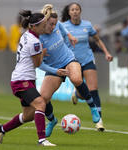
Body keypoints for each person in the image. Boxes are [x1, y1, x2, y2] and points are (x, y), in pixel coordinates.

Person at [38, 4, 100, 137]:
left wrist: (70, 35)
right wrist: (56, 72)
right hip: (54, 68)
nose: (53, 27)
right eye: (50, 25)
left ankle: (93, 108)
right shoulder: (38, 39)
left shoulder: (57, 26)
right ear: (43, 23)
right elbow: (39, 65)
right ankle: (52, 120)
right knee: (43, 98)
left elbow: (61, 26)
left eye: (55, 24)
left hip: (68, 59)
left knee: (77, 79)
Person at [0, 10, 56, 146]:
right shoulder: (34, 42)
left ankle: (2, 128)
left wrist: (40, 53)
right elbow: (38, 64)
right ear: (34, 26)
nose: (46, 27)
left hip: (22, 79)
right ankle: (42, 140)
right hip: (22, 80)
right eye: (44, 25)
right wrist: (41, 53)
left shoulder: (26, 35)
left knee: (28, 115)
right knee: (41, 103)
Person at [61, 2, 113, 131]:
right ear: (69, 13)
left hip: (88, 59)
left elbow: (97, 40)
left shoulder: (87, 25)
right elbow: (59, 43)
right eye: (72, 10)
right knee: (84, 94)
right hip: (72, 62)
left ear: (80, 11)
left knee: (93, 89)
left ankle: (99, 121)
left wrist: (106, 53)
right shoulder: (64, 27)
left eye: (77, 9)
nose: (75, 11)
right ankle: (77, 94)